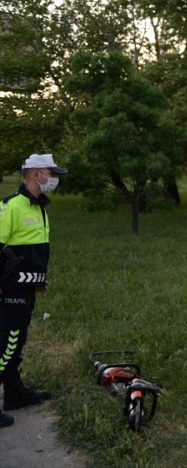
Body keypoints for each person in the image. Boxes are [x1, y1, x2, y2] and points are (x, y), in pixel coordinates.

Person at [0, 154, 67, 428]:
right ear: (35, 173)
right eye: (51, 173)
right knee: (6, 343)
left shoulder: (39, 207)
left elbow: (33, 251)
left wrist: (38, 278)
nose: (54, 179)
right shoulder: (11, 206)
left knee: (16, 342)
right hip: (11, 290)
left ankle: (14, 393)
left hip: (27, 288)